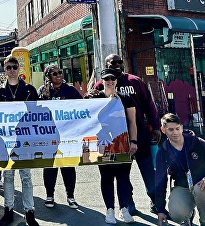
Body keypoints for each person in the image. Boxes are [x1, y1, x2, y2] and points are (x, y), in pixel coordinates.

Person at [94, 53, 161, 214]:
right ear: (106, 65)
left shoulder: (135, 81)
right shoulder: (99, 86)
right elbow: (91, 108)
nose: (116, 65)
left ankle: (155, 201)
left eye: (119, 62)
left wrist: (156, 126)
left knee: (148, 171)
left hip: (139, 134)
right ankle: (128, 205)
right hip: (115, 139)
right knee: (123, 174)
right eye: (112, 63)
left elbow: (148, 104)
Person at [155, 113, 205, 226]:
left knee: (200, 189)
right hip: (183, 187)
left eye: (177, 128)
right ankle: (187, 216)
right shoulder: (163, 151)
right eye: (170, 129)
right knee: (176, 214)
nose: (175, 132)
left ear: (182, 127)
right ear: (163, 130)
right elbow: (160, 180)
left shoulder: (197, 142)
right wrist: (160, 209)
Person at [0, 55, 40, 226]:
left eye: (14, 66)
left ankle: (30, 211)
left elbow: (36, 115)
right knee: (9, 176)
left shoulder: (29, 89)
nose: (11, 70)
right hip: (6, 140)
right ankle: (9, 210)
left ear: (18, 68)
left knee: (26, 176)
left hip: (25, 140)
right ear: (4, 70)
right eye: (8, 67)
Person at [87, 69, 139, 224]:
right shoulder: (96, 98)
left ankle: (124, 209)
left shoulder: (126, 99)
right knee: (107, 177)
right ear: (102, 81)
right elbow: (86, 118)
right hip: (103, 144)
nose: (110, 81)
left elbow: (132, 122)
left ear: (116, 80)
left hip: (122, 143)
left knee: (123, 177)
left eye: (112, 79)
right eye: (106, 79)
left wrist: (134, 141)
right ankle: (109, 210)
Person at [38, 64, 82, 209]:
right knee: (50, 166)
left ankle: (71, 196)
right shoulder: (42, 91)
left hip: (67, 136)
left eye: (60, 72)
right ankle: (49, 195)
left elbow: (83, 108)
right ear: (48, 77)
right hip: (48, 136)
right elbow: (36, 111)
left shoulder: (70, 90)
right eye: (54, 73)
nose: (58, 75)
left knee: (68, 166)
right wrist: (44, 97)